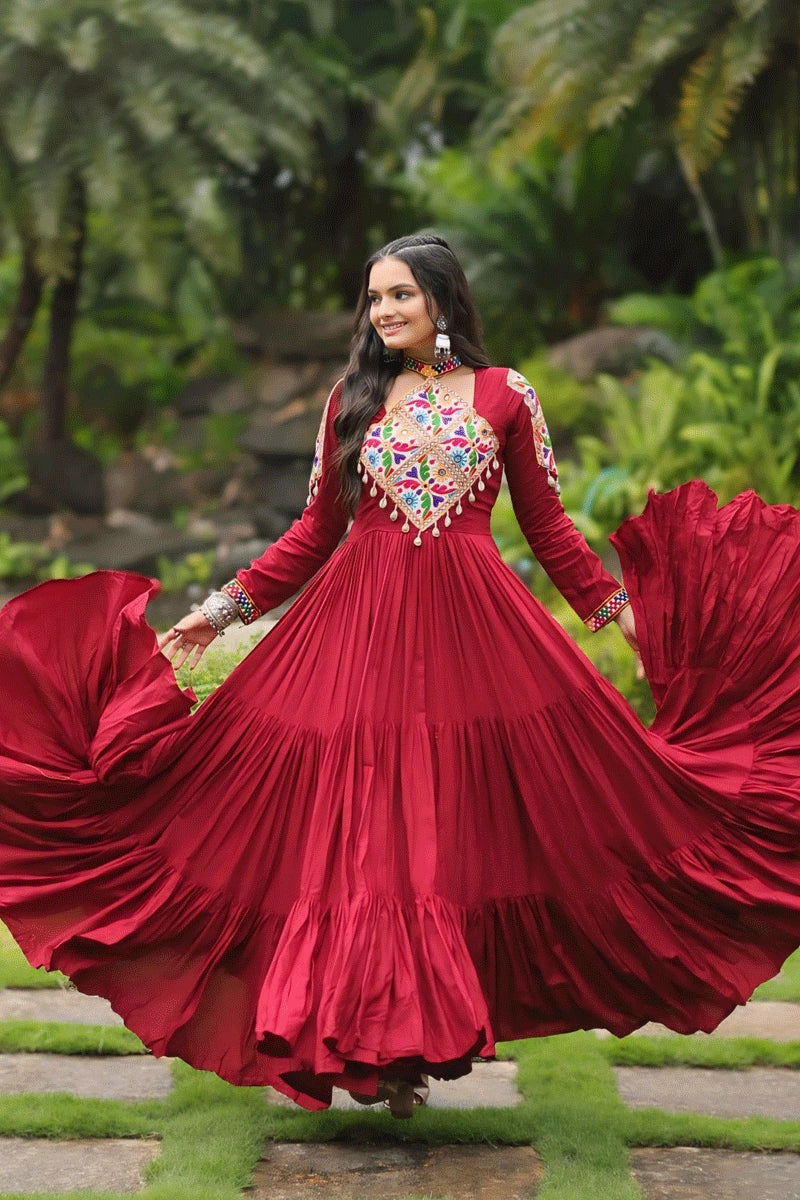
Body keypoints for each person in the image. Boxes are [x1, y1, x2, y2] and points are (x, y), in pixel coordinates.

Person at [2, 234, 800, 1121]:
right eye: (374, 299)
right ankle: (378, 1049)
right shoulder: (353, 398)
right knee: (360, 835)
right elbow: (313, 534)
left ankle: (409, 1042)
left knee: (450, 833)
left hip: (474, 639)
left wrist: (622, 616)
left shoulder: (506, 397)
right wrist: (220, 609)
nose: (383, 312)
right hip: (355, 635)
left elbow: (549, 531)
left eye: (400, 297)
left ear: (443, 301)